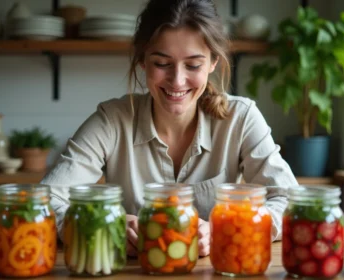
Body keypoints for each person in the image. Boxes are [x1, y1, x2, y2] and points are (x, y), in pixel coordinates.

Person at [41, 0, 298, 258]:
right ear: (142, 60)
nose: (177, 80)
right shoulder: (112, 120)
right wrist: (106, 227)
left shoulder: (240, 118)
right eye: (162, 63)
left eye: (193, 65)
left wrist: (226, 228)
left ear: (213, 63)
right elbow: (46, 203)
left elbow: (290, 202)